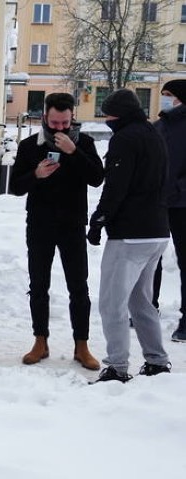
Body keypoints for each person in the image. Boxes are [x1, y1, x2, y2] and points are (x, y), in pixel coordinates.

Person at [9, 92, 104, 370]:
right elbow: (15, 186)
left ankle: (81, 345)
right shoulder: (29, 146)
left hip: (72, 224)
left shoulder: (84, 143)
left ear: (72, 117)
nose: (60, 128)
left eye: (65, 123)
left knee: (79, 287)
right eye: (55, 123)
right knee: (38, 285)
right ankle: (40, 341)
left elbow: (97, 179)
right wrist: (35, 175)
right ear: (44, 118)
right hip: (40, 224)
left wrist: (74, 153)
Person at [88, 89, 172, 383]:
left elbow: (116, 185)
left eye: (108, 114)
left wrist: (100, 219)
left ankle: (117, 367)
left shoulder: (125, 139)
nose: (107, 119)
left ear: (119, 114)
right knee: (141, 301)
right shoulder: (153, 135)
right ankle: (157, 361)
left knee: (113, 303)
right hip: (158, 231)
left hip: (130, 234)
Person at [153, 79, 186, 342]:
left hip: (183, 203)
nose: (166, 100)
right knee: (152, 257)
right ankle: (147, 307)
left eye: (170, 95)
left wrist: (178, 187)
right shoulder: (160, 125)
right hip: (157, 200)